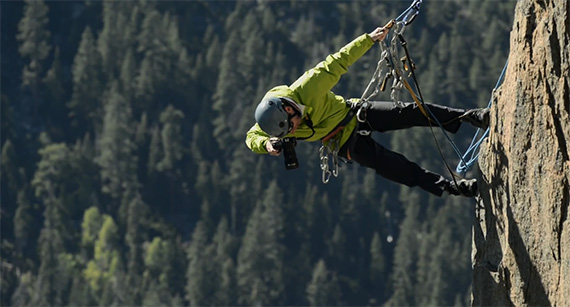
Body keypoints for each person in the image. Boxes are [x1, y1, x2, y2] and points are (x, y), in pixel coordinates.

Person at [245, 25, 489, 197]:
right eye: (291, 131)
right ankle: (452, 187)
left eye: (293, 124)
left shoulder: (308, 87)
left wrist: (369, 39)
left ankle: (471, 117)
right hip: (340, 140)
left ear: (289, 108)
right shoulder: (273, 123)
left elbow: (337, 61)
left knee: (411, 112)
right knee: (392, 166)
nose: (294, 130)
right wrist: (266, 145)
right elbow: (251, 137)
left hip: (352, 112)